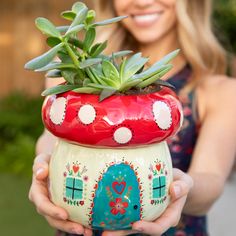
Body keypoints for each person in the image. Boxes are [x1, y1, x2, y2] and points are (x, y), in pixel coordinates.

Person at [28, 0, 236, 235]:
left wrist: (181, 190)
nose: (142, 2)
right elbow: (51, 138)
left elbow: (211, 178)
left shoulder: (220, 91)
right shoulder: (75, 74)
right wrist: (45, 170)